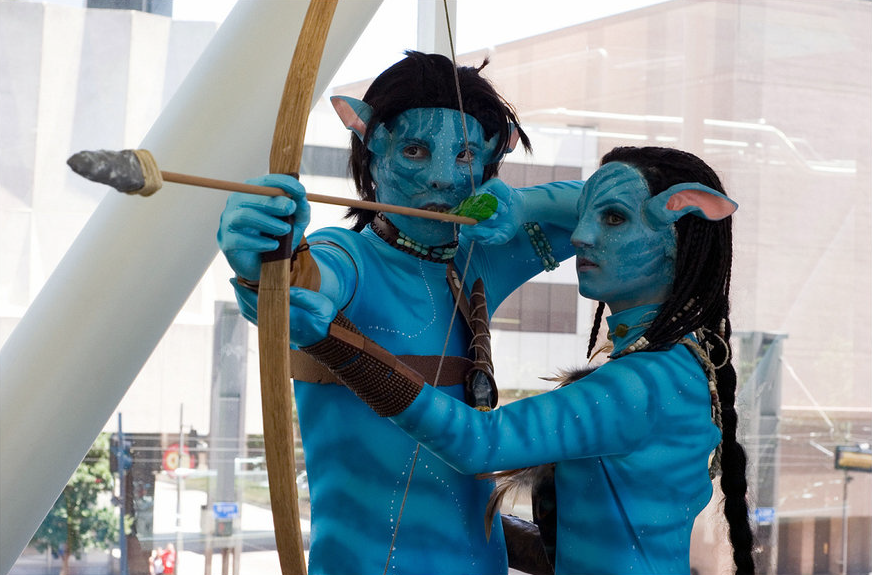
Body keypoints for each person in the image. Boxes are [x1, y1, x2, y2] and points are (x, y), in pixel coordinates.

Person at [282, 146, 756, 575]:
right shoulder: (676, 363)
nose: (581, 235)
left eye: (613, 219)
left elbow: (481, 442)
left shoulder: (649, 381)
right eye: (584, 215)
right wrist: (520, 206)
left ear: (681, 227)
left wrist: (333, 345)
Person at [217, 51, 581, 574]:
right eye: (414, 150)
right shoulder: (349, 256)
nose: (442, 179)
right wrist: (267, 262)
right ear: (372, 149)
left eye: (464, 155)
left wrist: (525, 205)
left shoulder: (478, 259)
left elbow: (626, 209)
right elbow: (307, 280)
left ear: (489, 159)